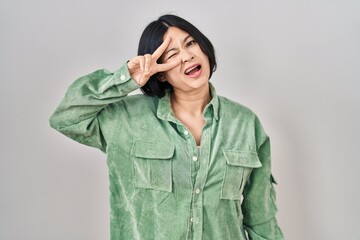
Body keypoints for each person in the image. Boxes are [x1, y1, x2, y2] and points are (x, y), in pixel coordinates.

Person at [49, 14, 284, 240]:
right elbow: (66, 117)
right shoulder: (126, 120)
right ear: (160, 74)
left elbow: (262, 222)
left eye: (190, 43)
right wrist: (126, 78)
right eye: (172, 54)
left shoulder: (244, 123)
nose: (186, 57)